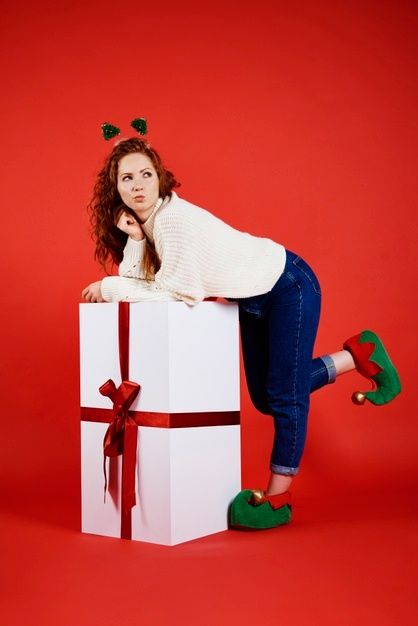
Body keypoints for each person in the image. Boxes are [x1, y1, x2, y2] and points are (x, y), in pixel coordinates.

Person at [82, 136, 401, 530]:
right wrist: (134, 238)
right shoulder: (149, 226)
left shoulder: (172, 221)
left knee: (285, 398)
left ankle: (277, 498)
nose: (138, 185)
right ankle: (358, 355)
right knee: (266, 398)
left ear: (161, 179)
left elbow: (176, 292)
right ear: (116, 188)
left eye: (146, 174)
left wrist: (108, 287)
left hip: (287, 285)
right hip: (251, 297)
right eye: (127, 178)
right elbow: (145, 280)